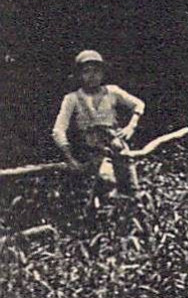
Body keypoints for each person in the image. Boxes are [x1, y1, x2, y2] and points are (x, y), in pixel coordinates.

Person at [51, 50, 145, 197]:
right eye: (86, 71)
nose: (92, 75)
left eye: (96, 71)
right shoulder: (72, 99)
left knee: (132, 190)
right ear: (79, 75)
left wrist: (131, 126)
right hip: (91, 151)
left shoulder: (112, 91)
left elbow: (139, 104)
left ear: (102, 73)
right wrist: (70, 158)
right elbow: (58, 130)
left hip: (117, 147)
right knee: (106, 182)